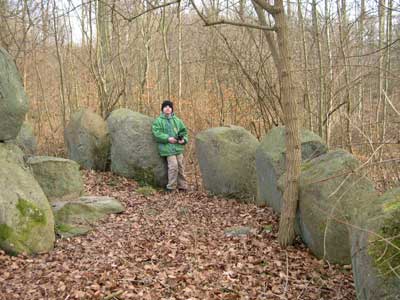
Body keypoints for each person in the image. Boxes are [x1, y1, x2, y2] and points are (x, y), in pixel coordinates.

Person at [152, 100, 188, 192]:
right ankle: (171, 187)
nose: (167, 108)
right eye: (165, 107)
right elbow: (157, 133)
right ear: (162, 109)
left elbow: (184, 132)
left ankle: (182, 186)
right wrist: (168, 138)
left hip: (178, 148)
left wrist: (183, 140)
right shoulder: (158, 121)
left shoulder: (177, 120)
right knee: (173, 166)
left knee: (181, 166)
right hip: (167, 148)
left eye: (169, 107)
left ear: (172, 109)